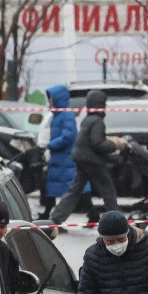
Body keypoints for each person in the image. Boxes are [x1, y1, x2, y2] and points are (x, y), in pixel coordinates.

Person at [49, 90, 126, 224]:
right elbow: (97, 144)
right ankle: (118, 221)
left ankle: (55, 219)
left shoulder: (87, 119)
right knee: (108, 191)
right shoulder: (97, 121)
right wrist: (116, 146)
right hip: (91, 161)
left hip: (81, 158)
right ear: (100, 105)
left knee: (74, 191)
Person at [41, 84, 78, 219]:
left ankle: (50, 215)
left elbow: (68, 136)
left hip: (65, 157)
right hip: (59, 157)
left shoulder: (66, 115)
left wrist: (51, 145)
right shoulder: (57, 115)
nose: (49, 101)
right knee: (55, 186)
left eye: (51, 98)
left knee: (71, 188)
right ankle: (47, 213)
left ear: (58, 99)